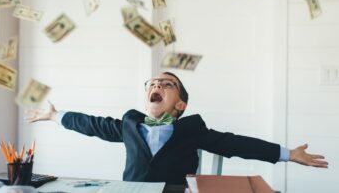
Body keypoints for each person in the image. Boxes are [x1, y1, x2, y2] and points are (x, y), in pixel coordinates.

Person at [26, 72, 328, 185]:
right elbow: (92, 124)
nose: (157, 85)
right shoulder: (129, 125)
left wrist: (288, 154)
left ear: (180, 104)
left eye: (167, 84)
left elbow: (237, 144)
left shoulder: (192, 130)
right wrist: (56, 115)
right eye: (153, 84)